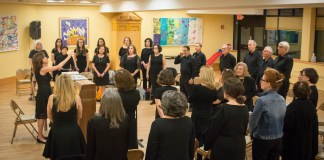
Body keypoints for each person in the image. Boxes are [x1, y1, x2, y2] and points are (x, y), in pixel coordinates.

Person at [204, 77, 249, 160]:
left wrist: (207, 146)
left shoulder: (223, 109)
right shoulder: (245, 107)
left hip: (224, 147)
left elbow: (212, 131)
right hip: (239, 145)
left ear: (227, 91)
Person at [32, 51, 72, 144]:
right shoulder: (42, 69)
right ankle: (39, 136)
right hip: (43, 93)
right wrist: (68, 57)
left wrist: (47, 62)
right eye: (44, 57)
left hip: (46, 91)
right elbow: (58, 67)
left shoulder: (43, 68)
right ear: (40, 60)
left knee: (45, 113)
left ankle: (41, 135)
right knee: (41, 115)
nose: (46, 57)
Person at [43, 74, 86, 159]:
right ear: (71, 84)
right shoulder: (76, 98)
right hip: (73, 133)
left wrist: (57, 122)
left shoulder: (51, 98)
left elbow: (49, 116)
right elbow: (79, 116)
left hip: (57, 133)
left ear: (57, 85)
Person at [145, 90, 195, 160]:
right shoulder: (188, 121)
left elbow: (151, 152)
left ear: (165, 105)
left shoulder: (158, 124)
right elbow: (191, 149)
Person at [249, 68, 286, 160]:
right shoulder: (282, 99)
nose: (260, 81)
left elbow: (253, 121)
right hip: (278, 139)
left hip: (263, 140)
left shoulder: (262, 100)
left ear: (269, 84)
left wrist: (252, 134)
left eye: (262, 80)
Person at [87, 89, 130, 160]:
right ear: (119, 103)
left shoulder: (94, 122)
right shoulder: (125, 119)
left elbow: (90, 150)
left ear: (102, 103)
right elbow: (126, 146)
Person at [282, 81, 318, 160]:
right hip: (307, 145)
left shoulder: (292, 107)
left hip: (293, 147)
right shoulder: (311, 105)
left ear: (294, 92)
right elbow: (314, 127)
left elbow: (286, 127)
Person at [188, 66, 217, 160]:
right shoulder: (213, 89)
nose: (199, 74)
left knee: (197, 138)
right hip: (209, 114)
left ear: (203, 75)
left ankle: (198, 157)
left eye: (200, 72)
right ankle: (207, 156)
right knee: (206, 137)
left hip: (197, 115)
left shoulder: (197, 88)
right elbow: (214, 99)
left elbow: (190, 99)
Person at [115, 69, 141, 149]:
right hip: (132, 121)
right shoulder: (136, 93)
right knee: (131, 146)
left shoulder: (116, 95)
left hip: (119, 121)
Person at [298, 68, 319, 159]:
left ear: (308, 77)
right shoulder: (308, 89)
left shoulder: (311, 90)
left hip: (308, 121)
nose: (300, 77)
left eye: (302, 75)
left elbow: (304, 106)